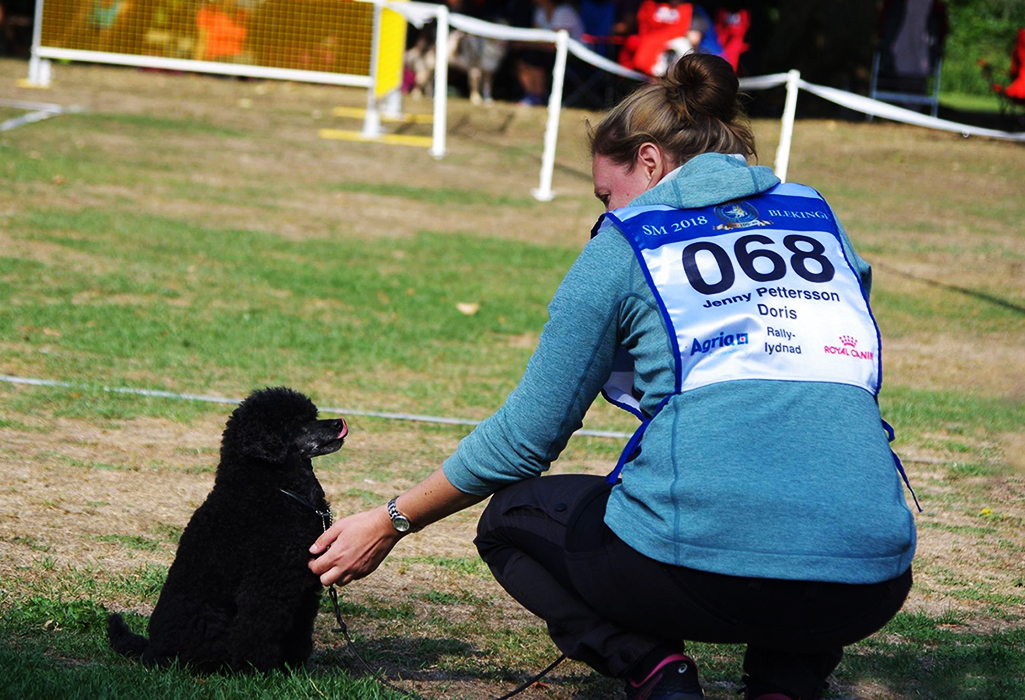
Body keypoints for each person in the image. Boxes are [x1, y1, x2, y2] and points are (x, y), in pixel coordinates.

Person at [310, 53, 917, 700]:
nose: (603, 211)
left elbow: (526, 439)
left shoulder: (624, 244)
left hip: (700, 574)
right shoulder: (818, 219)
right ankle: (784, 683)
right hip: (870, 579)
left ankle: (656, 672)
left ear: (650, 163)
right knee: (803, 496)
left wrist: (391, 520)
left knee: (511, 518)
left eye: (606, 193)